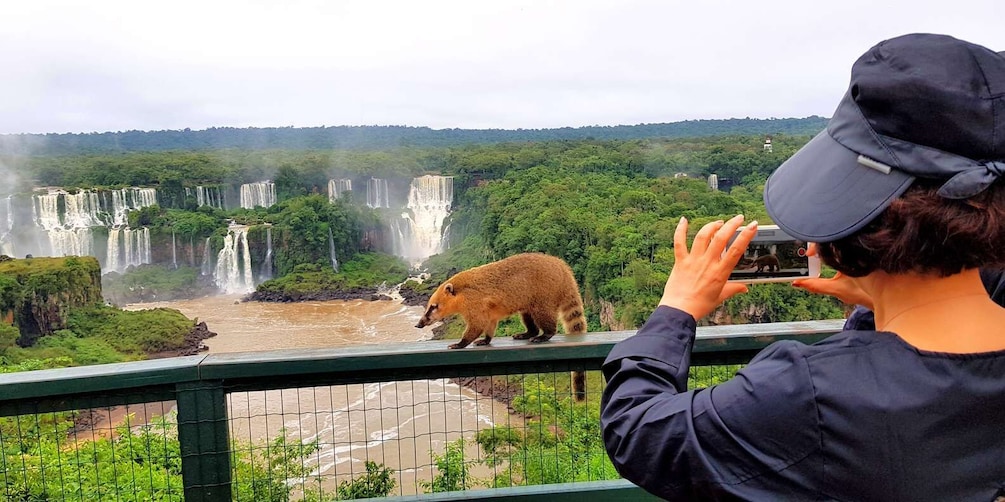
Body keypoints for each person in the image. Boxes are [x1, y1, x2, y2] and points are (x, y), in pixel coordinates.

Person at [600, 33, 1005, 501]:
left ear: (845, 231)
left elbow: (639, 433)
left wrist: (675, 310)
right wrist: (878, 302)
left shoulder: (811, 394)